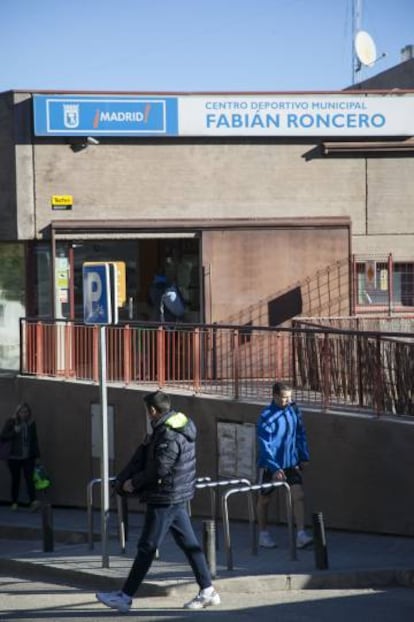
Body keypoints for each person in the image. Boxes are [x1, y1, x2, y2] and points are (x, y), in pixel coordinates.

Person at [96, 390, 220, 613]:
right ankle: (208, 590)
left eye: (147, 411)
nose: (147, 414)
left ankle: (125, 596)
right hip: (175, 494)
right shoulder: (174, 426)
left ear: (152, 410)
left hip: (166, 496)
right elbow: (144, 457)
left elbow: (160, 467)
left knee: (147, 547)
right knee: (189, 545)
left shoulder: (168, 434)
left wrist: (133, 483)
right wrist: (126, 477)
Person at [256, 381, 313, 549]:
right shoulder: (266, 416)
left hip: (291, 462)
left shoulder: (294, 410)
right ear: (274, 396)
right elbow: (264, 445)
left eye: (289, 397)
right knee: (264, 499)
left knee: (298, 495)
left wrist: (303, 456)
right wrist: (274, 468)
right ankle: (263, 534)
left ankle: (301, 534)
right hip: (271, 464)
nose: (287, 401)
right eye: (284, 398)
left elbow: (300, 433)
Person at [0, 402, 41, 511]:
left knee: (29, 479)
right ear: (18, 413)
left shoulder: (31, 423)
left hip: (28, 457)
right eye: (22, 412)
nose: (24, 414)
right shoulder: (11, 422)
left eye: (26, 412)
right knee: (16, 480)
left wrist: (37, 456)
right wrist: (14, 431)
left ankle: (33, 502)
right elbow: (3, 436)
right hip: (14, 457)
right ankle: (14, 502)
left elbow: (34, 440)